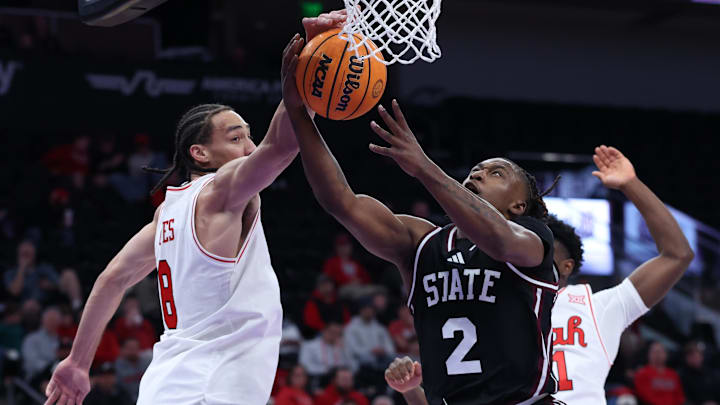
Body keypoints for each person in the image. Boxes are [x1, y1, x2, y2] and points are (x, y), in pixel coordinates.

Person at [43, 11, 347, 405]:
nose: (249, 148)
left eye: (249, 137)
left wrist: (78, 363)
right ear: (199, 153)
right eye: (237, 138)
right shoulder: (222, 190)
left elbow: (112, 279)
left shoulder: (167, 214)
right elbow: (282, 147)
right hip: (209, 389)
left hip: (169, 386)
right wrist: (313, 63)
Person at [283, 49, 559, 403]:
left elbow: (500, 241)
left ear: (518, 205)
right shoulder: (422, 242)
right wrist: (298, 113)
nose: (477, 173)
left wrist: (424, 167)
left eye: (496, 173)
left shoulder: (533, 239)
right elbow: (340, 201)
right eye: (476, 168)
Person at [382, 146, 694, 405]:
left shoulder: (597, 307)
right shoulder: (481, 300)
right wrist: (411, 391)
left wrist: (630, 184)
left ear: (565, 266)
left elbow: (677, 254)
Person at [22, 306, 60, 380]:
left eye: (55, 320)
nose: (52, 323)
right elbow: (32, 361)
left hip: (61, 375)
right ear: (43, 321)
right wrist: (51, 368)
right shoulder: (31, 339)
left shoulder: (63, 339)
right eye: (50, 320)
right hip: (38, 376)